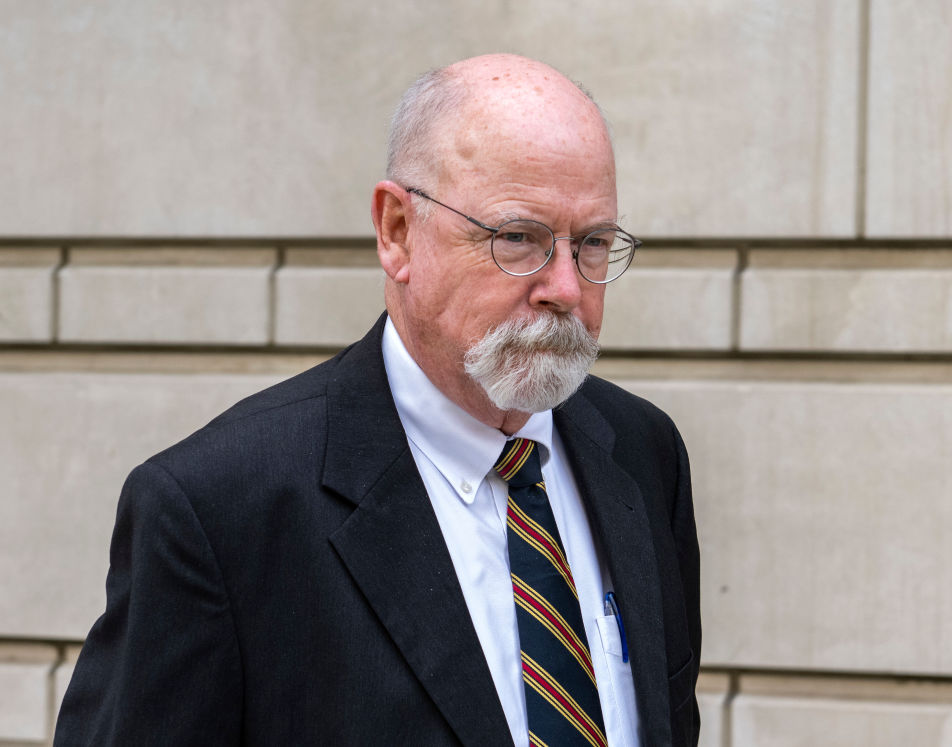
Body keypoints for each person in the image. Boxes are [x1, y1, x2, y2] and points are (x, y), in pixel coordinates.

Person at [56, 54, 701, 746]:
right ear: (397, 230)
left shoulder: (641, 453)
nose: (566, 289)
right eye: (520, 239)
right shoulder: (220, 510)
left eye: (593, 244)